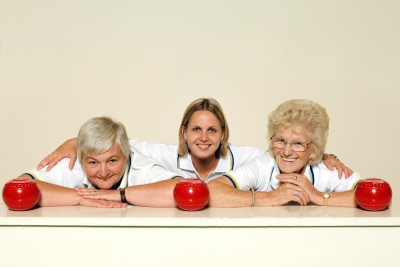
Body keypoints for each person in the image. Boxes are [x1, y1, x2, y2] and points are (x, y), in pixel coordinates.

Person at [37, 98, 351, 184]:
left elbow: (286, 150)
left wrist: (326, 157)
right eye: (196, 130)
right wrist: (72, 142)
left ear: (224, 134)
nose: (203, 138)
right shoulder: (164, 155)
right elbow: (114, 143)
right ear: (184, 132)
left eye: (212, 130)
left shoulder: (245, 158)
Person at [207, 99, 362, 208]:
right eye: (280, 140)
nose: (287, 152)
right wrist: (269, 197)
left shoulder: (326, 170)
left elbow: (373, 196)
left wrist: (318, 197)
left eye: (298, 143)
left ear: (313, 151)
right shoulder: (264, 165)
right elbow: (211, 191)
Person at [15, 116, 182, 208]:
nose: (103, 172)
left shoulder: (143, 166)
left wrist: (119, 195)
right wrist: (79, 198)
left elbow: (184, 190)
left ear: (126, 154)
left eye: (112, 161)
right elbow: (18, 187)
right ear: (82, 159)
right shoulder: (74, 164)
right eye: (93, 163)